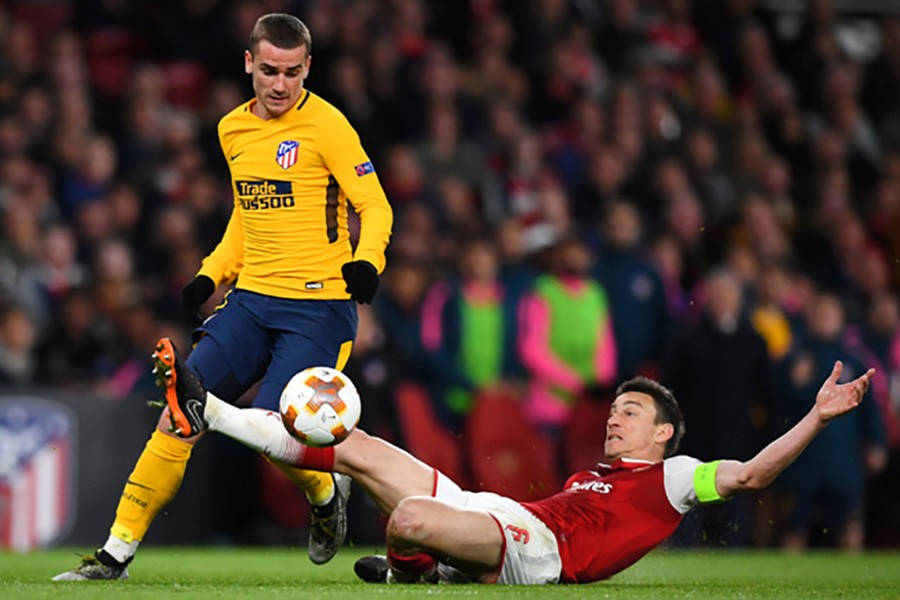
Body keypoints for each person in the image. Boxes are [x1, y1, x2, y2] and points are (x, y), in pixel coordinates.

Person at [54, 14, 393, 581]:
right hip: (252, 302)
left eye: (291, 72)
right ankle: (113, 556)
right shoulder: (232, 129)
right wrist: (213, 273)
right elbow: (247, 211)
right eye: (268, 71)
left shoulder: (329, 126)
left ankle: (323, 493)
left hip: (318, 307)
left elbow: (375, 205)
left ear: (307, 68)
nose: (279, 84)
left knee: (275, 430)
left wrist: (367, 262)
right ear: (248, 64)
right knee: (177, 413)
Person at [153, 336, 874, 585]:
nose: (615, 418)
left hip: (540, 555)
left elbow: (753, 475)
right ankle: (209, 409)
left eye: (632, 413)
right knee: (354, 446)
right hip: (510, 518)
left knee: (405, 519)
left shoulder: (674, 478)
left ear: (664, 436)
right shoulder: (591, 475)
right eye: (616, 407)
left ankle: (420, 573)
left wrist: (814, 415)